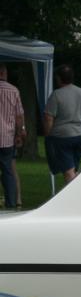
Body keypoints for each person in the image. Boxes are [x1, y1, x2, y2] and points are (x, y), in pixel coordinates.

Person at [44, 64, 81, 184]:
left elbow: (49, 118)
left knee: (69, 172)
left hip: (63, 139)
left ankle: (76, 193)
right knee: (73, 169)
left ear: (58, 78)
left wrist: (47, 135)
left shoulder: (56, 95)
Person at [0, 64, 26, 209]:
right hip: (7, 138)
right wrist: (19, 133)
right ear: (5, 74)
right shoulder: (14, 90)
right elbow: (19, 116)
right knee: (8, 172)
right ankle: (11, 203)